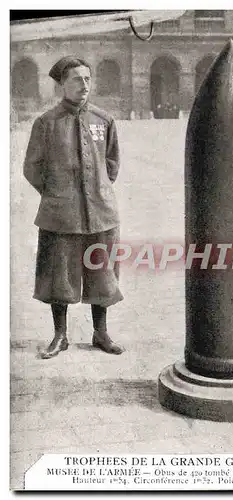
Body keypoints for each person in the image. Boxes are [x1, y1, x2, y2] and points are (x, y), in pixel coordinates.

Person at [24, 56, 125, 359]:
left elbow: (112, 162)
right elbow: (32, 168)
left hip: (100, 212)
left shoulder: (104, 120)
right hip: (60, 214)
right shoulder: (46, 123)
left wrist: (99, 191)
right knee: (60, 275)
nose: (84, 85)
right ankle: (60, 335)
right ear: (62, 85)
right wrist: (58, 194)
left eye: (88, 79)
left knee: (102, 272)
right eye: (77, 80)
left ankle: (101, 333)